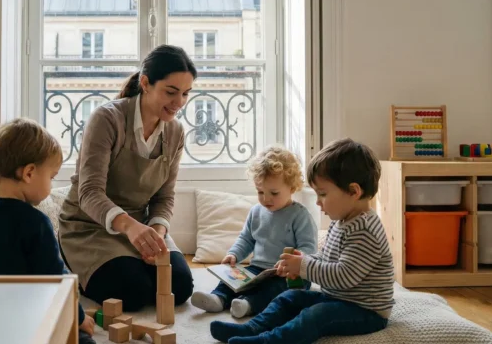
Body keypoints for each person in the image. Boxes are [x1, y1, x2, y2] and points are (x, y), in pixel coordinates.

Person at [210, 138, 394, 344]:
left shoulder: (364, 230)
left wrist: (305, 265)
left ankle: (268, 341)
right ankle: (251, 328)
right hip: (338, 298)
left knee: (315, 316)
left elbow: (344, 276)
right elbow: (325, 258)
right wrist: (301, 261)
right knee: (289, 298)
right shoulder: (342, 220)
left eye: (323, 194)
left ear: (353, 191)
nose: (317, 201)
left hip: (365, 310)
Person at [59, 45, 197, 311]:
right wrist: (131, 229)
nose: (179, 102)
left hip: (141, 226)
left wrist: (155, 235)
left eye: (185, 94)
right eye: (171, 92)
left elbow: (164, 196)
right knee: (133, 292)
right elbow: (89, 192)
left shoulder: (176, 132)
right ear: (145, 83)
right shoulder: (107, 119)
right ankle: (78, 271)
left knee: (179, 287)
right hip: (89, 226)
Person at [0, 118, 96, 344]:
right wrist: (80, 317)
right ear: (29, 173)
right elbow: (57, 281)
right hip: (25, 321)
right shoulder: (35, 222)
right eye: (51, 178)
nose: (51, 185)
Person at [191, 145, 318, 318]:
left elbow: (309, 249)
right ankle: (218, 298)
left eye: (274, 193)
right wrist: (234, 254)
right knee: (233, 279)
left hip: (289, 275)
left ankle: (248, 304)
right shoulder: (256, 212)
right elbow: (246, 239)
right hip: (258, 268)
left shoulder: (300, 216)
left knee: (274, 290)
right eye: (260, 192)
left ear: (292, 188)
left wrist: (294, 264)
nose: (266, 199)